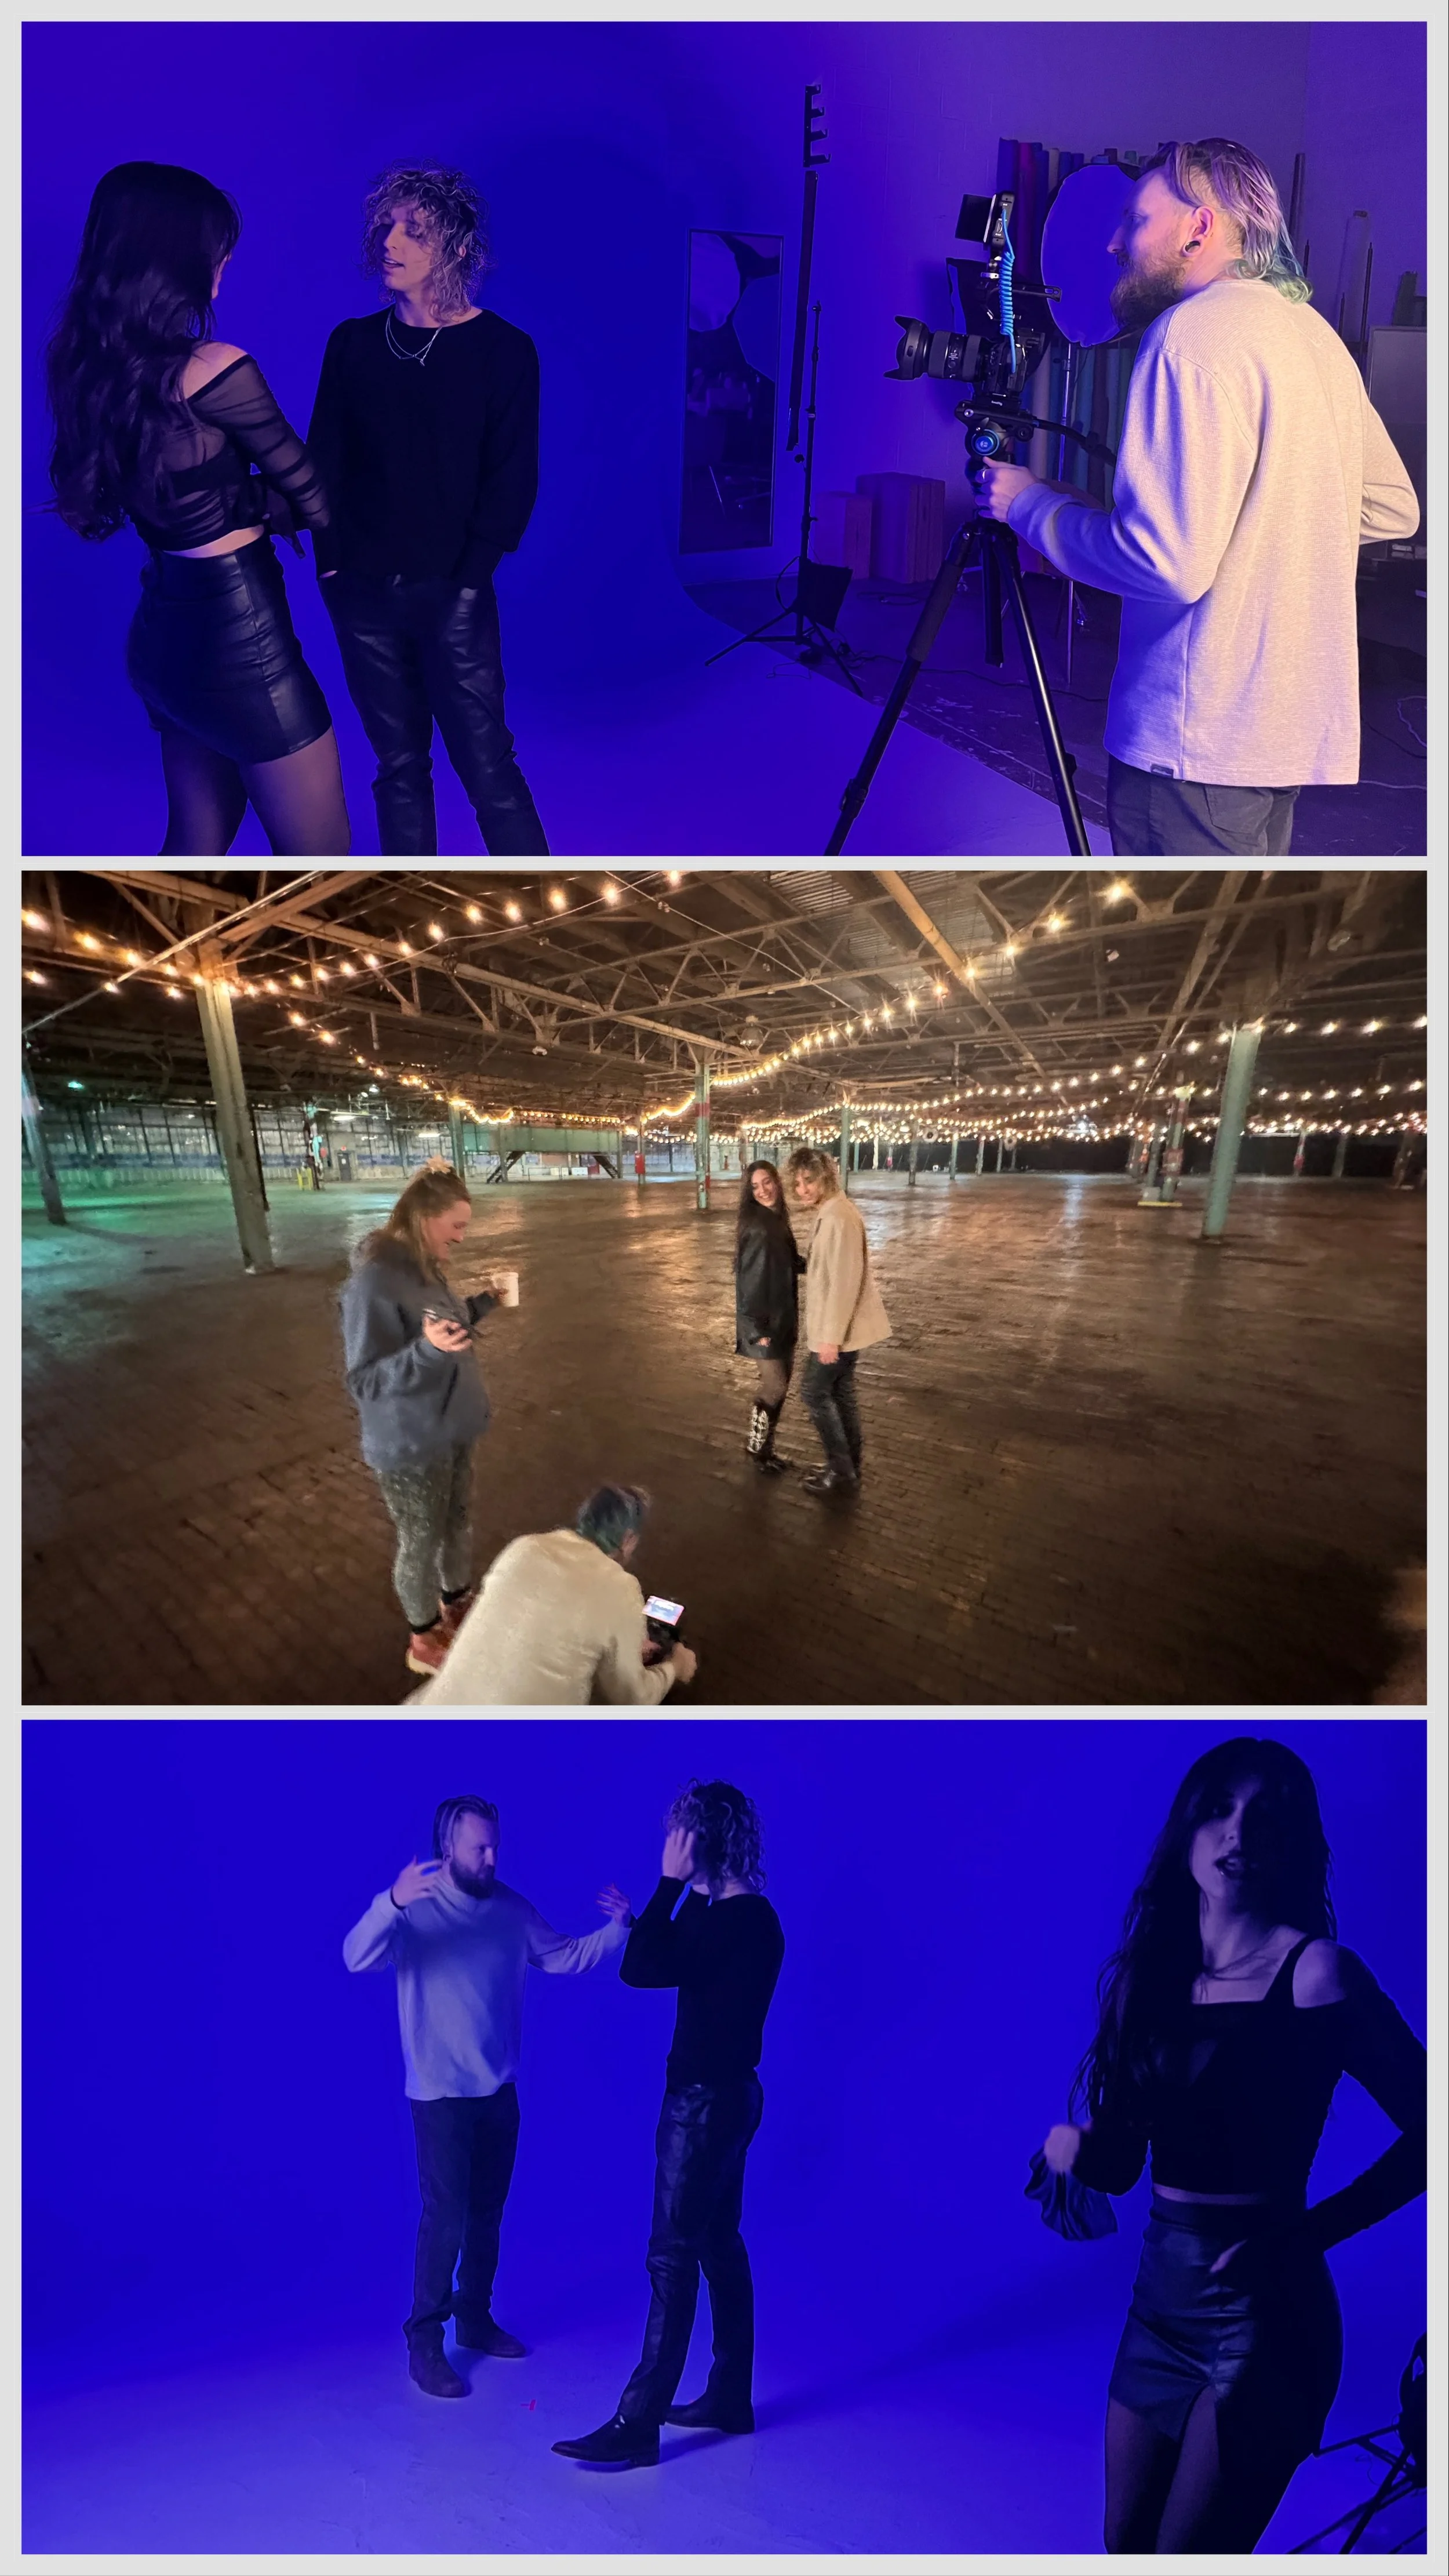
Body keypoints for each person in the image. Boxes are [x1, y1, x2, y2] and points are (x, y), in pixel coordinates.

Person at [970, 139, 1419, 858]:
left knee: (1174, 958)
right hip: (1283, 732)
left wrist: (1029, 505)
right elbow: (1392, 507)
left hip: (1196, 742)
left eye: (1135, 220)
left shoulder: (1191, 334)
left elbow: (1166, 566)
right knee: (1234, 949)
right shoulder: (1311, 333)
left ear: (1198, 228)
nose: (1115, 242)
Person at [1040, 1736, 1427, 2555]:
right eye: (1219, 1808)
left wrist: (1304, 2235)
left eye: (1265, 1815)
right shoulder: (1150, 1980)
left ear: (1292, 1844)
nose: (1237, 1832)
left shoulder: (1318, 1971)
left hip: (1268, 2317)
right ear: (1186, 1830)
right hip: (1157, 2303)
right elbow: (1125, 2167)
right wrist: (1075, 2146)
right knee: (1125, 2544)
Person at [45, 161, 349, 858]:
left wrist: (247, 498)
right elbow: (311, 494)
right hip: (245, 645)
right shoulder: (217, 368)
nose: (224, 264)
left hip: (164, 639)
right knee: (322, 859)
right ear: (175, 257)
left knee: (194, 847)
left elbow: (163, 497)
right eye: (216, 249)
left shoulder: (87, 366)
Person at [344, 1793, 632, 2397]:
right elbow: (355, 1957)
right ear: (448, 1848)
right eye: (481, 1848)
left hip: (498, 2091)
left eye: (496, 1845)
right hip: (440, 2095)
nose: (493, 1858)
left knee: (486, 2217)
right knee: (444, 2218)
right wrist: (389, 1903)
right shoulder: (412, 1910)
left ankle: (474, 2320)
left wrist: (617, 1931)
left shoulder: (509, 1910)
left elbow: (563, 1957)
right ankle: (425, 2341)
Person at [308, 159, 548, 855]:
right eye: (387, 225)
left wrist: (470, 582)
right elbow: (323, 461)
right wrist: (330, 568)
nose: (391, 242)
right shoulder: (352, 343)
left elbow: (513, 480)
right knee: (399, 770)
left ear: (459, 247)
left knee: (489, 771)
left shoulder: (504, 352)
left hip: (454, 595)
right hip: (359, 592)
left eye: (415, 230)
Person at [554, 1781, 784, 2468]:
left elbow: (640, 1969)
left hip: (701, 2106)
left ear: (700, 1845)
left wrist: (666, 1884)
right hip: (737, 2097)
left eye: (681, 1838)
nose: (672, 1848)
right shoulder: (754, 1919)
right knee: (718, 2243)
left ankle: (639, 2420)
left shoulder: (721, 1923)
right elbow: (665, 1952)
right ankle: (729, 2395)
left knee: (671, 2257)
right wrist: (653, 1908)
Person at [338, 1164, 509, 1680]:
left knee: (457, 1522)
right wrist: (427, 1353)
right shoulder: (374, 1282)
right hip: (411, 1440)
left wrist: (483, 1303)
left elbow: (443, 1326)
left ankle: (456, 1602)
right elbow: (364, 1379)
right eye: (456, 1225)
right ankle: (422, 1633)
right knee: (420, 1537)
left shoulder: (426, 1267)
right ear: (426, 1218)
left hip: (452, 1427)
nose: (462, 1235)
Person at [412, 1484, 699, 1705]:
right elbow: (633, 1698)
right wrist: (675, 1666)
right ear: (628, 1540)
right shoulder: (621, 1587)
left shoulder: (524, 1548)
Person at [785, 1147, 891, 1496]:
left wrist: (830, 1339)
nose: (802, 1189)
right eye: (798, 1182)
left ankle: (842, 1471)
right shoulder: (832, 1212)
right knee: (841, 1393)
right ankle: (847, 1464)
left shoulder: (838, 1218)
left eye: (809, 1181)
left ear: (826, 1178)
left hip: (838, 1332)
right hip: (844, 1330)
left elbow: (845, 1282)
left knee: (814, 1392)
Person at [734, 1159, 806, 1474]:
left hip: (780, 1320)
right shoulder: (761, 1227)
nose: (763, 1190)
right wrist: (761, 1331)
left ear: (777, 1181)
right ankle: (758, 1450)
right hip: (764, 1325)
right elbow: (750, 1285)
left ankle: (763, 1449)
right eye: (755, 1187)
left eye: (767, 1182)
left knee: (780, 1385)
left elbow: (790, 1263)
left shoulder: (775, 1221)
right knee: (774, 1386)